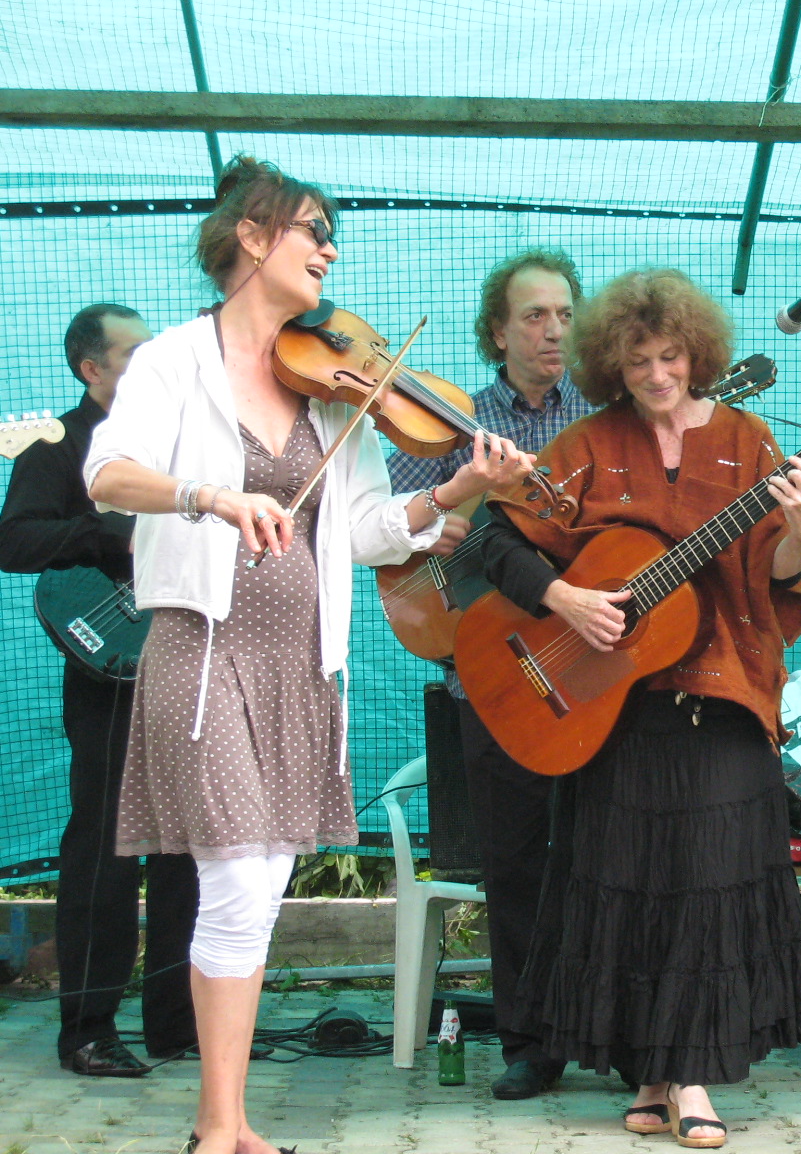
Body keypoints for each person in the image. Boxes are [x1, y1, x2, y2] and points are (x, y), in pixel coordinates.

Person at [81, 155, 533, 1154]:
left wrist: (455, 491)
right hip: (204, 656)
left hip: (301, 668)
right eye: (312, 230)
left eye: (332, 236)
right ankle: (217, 1129)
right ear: (252, 235)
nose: (329, 250)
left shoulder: (332, 389)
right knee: (238, 883)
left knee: (258, 894)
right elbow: (107, 474)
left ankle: (228, 1123)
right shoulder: (173, 362)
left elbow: (367, 529)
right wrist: (209, 496)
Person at [474, 267, 801, 1148]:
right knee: (632, 893)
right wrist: (563, 599)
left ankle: (688, 1074)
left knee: (705, 892)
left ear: (697, 353)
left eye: (671, 356)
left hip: (725, 696)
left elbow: (774, 575)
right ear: (612, 366)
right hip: (613, 707)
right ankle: (655, 1073)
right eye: (638, 361)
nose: (658, 374)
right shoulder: (588, 444)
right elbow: (494, 537)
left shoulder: (747, 439)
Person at [386, 247, 596, 1100]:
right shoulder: (449, 419)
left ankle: (608, 1030)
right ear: (497, 331)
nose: (554, 330)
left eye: (565, 314)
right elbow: (398, 530)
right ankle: (529, 1042)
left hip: (589, 671)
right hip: (489, 669)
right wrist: (458, 504)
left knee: (601, 856)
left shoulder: (605, 417)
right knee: (512, 863)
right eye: (534, 315)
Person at [0, 304, 199, 1077]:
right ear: (92, 369)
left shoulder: (180, 439)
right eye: (134, 352)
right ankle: (88, 1030)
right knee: (106, 847)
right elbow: (15, 538)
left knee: (184, 847)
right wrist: (106, 530)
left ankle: (176, 1024)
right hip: (108, 668)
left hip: (185, 658)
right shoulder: (58, 445)